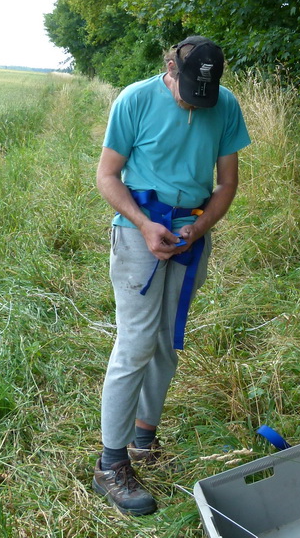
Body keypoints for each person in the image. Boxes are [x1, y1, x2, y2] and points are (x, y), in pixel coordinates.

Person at [92, 36, 251, 515]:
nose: (195, 103)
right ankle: (110, 464)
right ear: (171, 67)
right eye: (188, 92)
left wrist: (199, 228)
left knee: (165, 341)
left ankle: (143, 440)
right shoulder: (135, 100)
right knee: (136, 342)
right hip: (138, 231)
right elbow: (107, 175)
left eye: (205, 95)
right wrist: (145, 225)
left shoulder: (225, 105)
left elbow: (227, 182)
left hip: (190, 236)